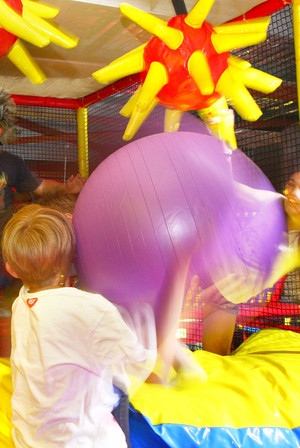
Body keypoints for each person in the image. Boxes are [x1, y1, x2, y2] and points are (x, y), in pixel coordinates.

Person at [1, 204, 155, 448]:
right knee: (120, 389)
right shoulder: (92, 309)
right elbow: (142, 365)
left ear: (11, 269)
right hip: (83, 442)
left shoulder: (21, 304)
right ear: (73, 256)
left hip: (29, 440)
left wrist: (57, 231)